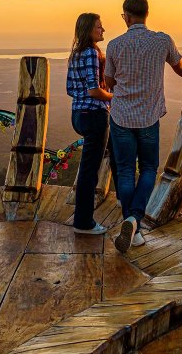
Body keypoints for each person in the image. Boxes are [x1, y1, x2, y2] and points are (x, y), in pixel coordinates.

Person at [105, 0, 182, 252]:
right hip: (148, 117)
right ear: (146, 14)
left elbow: (109, 82)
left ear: (126, 16)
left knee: (124, 171)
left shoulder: (114, 45)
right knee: (148, 169)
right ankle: (135, 222)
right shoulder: (162, 40)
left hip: (121, 116)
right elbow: (180, 66)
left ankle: (129, 222)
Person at [66, 12, 112, 234]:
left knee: (90, 167)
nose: (103, 30)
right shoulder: (92, 53)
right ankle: (84, 222)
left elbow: (70, 89)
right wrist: (116, 96)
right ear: (89, 30)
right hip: (94, 114)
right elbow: (94, 90)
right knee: (89, 171)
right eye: (99, 27)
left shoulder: (75, 54)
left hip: (78, 114)